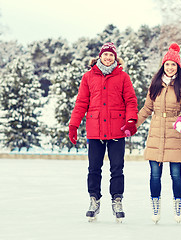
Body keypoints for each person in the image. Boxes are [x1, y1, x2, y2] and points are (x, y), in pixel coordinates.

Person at [68, 42, 138, 222]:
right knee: (93, 168)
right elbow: (81, 103)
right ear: (100, 57)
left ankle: (117, 200)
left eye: (111, 56)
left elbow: (131, 100)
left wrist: (131, 121)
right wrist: (73, 125)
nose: (108, 58)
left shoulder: (123, 77)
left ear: (115, 58)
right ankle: (94, 199)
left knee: (117, 168)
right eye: (105, 55)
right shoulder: (88, 77)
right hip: (95, 130)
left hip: (117, 130)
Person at [136, 43, 181, 224]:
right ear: (163, 65)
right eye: (167, 64)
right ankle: (156, 205)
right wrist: (133, 124)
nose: (170, 67)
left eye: (173, 64)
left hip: (175, 131)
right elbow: (147, 108)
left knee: (176, 174)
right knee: (154, 173)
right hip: (156, 131)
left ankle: (178, 205)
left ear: (178, 67)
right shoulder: (155, 84)